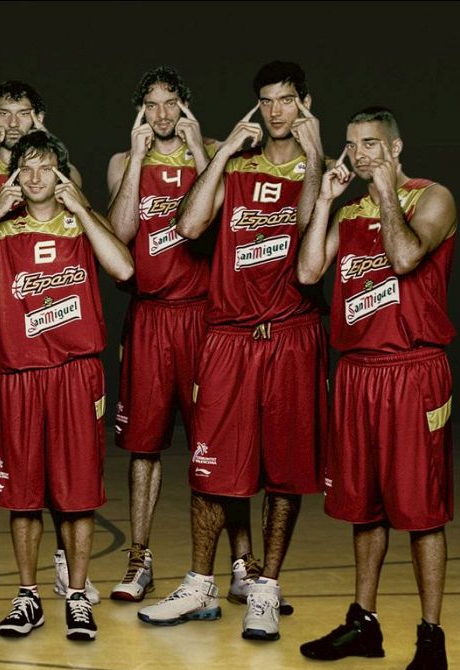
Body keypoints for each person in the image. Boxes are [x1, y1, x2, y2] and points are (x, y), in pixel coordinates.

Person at [139, 61, 327, 640]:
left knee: (284, 473)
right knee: (211, 467)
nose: (276, 111)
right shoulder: (238, 164)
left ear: (305, 103)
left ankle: (266, 588)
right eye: (266, 100)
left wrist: (316, 156)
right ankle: (200, 583)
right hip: (229, 336)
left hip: (290, 334)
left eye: (286, 99)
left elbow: (306, 234)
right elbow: (190, 227)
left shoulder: (320, 170)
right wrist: (219, 155)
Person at [295, 107, 456, 670]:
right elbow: (309, 272)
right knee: (364, 506)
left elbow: (407, 256)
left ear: (395, 146)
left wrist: (387, 191)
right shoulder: (350, 213)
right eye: (352, 144)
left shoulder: (432, 197)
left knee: (421, 510)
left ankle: (431, 637)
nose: (360, 154)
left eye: (370, 143)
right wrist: (324, 202)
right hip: (359, 372)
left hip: (413, 370)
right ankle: (363, 623)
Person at [0, 131, 134, 641]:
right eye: (27, 169)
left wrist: (82, 209)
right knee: (23, 495)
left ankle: (77, 596)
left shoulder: (81, 222)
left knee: (77, 493)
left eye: (46, 168)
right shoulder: (5, 228)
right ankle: (28, 596)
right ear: (15, 176)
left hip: (75, 373)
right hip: (18, 376)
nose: (36, 178)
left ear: (61, 174)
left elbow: (124, 267)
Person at [0, 80, 93, 608]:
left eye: (23, 113)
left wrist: (44, 156)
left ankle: (66, 565)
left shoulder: (50, 173)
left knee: (65, 460)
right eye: (3, 113)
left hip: (47, 333)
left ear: (38, 117)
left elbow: (80, 210)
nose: (12, 122)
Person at [103, 66, 219, 603]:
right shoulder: (123, 162)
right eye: (152, 105)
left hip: (203, 315)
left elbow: (219, 222)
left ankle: (237, 561)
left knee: (215, 443)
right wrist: (136, 158)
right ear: (140, 112)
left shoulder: (212, 152)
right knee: (143, 447)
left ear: (185, 107)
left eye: (171, 103)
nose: (162, 114)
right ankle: (139, 558)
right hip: (150, 317)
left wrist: (199, 151)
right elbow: (121, 233)